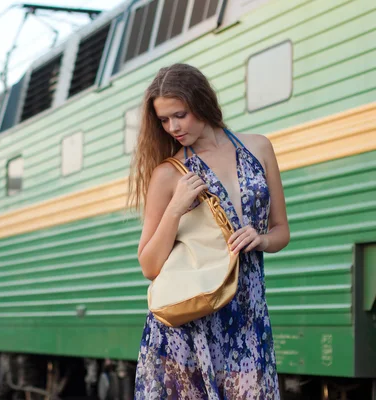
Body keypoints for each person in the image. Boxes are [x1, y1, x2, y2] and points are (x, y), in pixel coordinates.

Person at [128, 63, 290, 399]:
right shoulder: (169, 174)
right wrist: (175, 208)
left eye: (180, 115)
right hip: (191, 325)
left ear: (202, 102)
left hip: (248, 316)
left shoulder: (259, 149)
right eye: (163, 120)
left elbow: (281, 231)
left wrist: (260, 239)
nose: (172, 127)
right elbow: (149, 265)